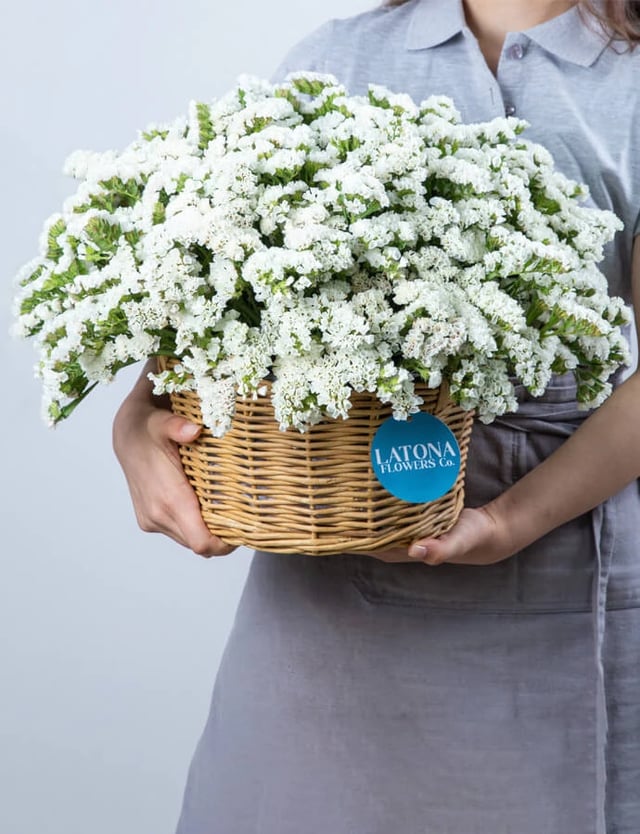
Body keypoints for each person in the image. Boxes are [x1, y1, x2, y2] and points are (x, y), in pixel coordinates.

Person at [112, 1, 640, 831]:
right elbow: (206, 314)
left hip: (559, 590)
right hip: (325, 619)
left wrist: (508, 521)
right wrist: (136, 422)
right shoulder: (340, 57)